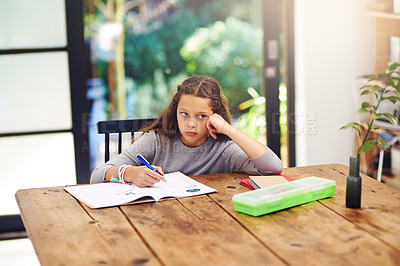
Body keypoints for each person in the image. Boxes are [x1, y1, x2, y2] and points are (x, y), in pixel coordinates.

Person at [90, 75, 283, 186]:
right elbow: (97, 176)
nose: (191, 124)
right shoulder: (156, 141)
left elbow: (273, 168)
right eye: (184, 114)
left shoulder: (223, 150)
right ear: (175, 112)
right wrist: (131, 173)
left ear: (215, 117)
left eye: (201, 116)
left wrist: (229, 130)